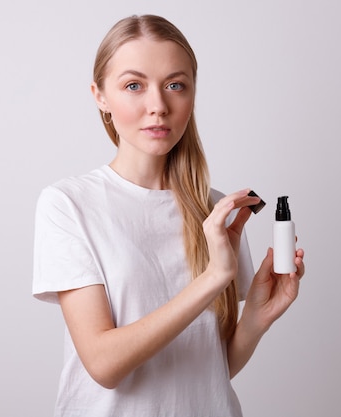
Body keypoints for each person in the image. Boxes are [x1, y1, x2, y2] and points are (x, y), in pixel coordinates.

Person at [32, 14, 305, 417]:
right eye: (133, 86)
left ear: (193, 94)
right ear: (100, 95)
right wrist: (214, 278)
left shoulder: (216, 211)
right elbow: (104, 365)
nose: (158, 106)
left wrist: (257, 318)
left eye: (175, 85)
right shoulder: (70, 204)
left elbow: (208, 369)